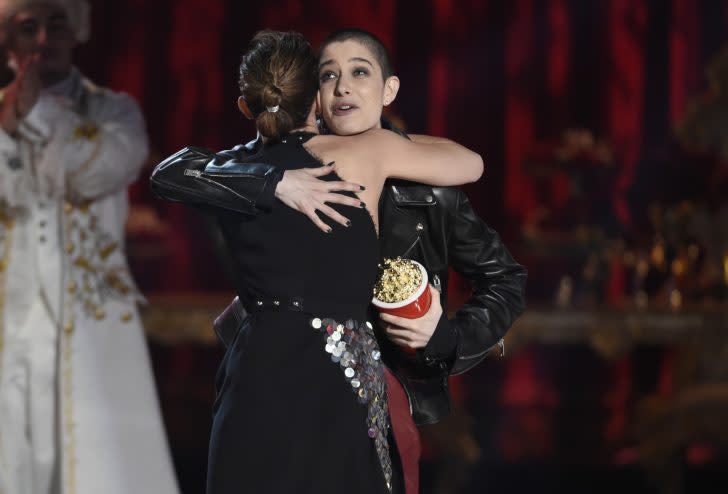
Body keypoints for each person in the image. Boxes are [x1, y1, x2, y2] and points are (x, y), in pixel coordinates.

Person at [151, 29, 483, 494]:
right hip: (335, 377)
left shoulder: (231, 169)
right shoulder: (366, 150)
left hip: (257, 371)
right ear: (318, 98)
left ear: (247, 106)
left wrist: (271, 182)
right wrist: (373, 136)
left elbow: (168, 173)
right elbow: (470, 164)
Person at [0, 1, 179, 493]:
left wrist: (34, 109)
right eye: (26, 28)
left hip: (90, 313)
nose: (42, 41)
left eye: (54, 25)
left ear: (75, 32)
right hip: (11, 316)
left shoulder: (115, 111)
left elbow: (90, 171)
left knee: (97, 456)